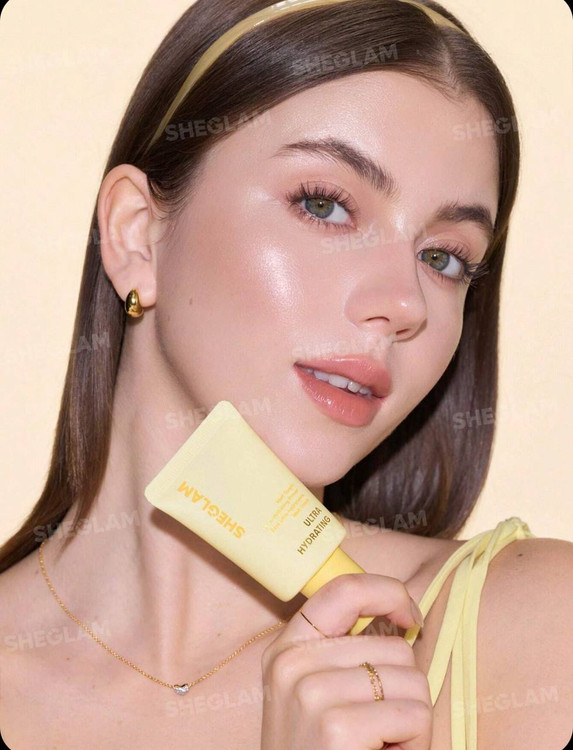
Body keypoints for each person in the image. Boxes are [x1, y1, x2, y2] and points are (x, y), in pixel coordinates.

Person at [0, 0, 572, 748]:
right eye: (325, 206)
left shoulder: (533, 634)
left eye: (442, 257)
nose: (404, 303)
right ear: (137, 234)